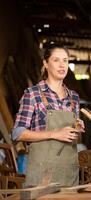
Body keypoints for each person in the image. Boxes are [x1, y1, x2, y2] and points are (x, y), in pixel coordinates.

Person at [12, 43, 85, 187]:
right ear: (46, 63)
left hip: (68, 173)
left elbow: (71, 133)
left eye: (65, 60)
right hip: (41, 174)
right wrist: (54, 133)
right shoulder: (32, 94)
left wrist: (77, 126)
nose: (62, 65)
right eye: (56, 60)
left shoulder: (74, 97)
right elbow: (17, 134)